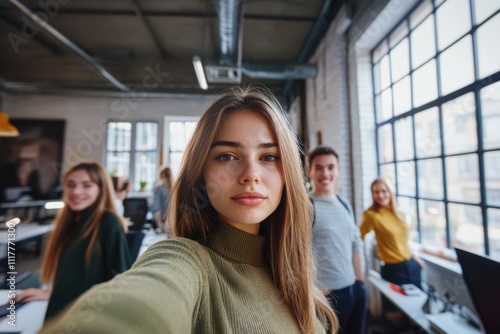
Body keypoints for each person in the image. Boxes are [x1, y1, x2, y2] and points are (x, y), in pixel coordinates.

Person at [40, 86, 338, 334]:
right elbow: (134, 307)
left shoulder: (292, 274)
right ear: (200, 175)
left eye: (269, 156)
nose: (251, 174)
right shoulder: (186, 260)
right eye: (226, 156)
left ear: (288, 173)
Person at [15, 162, 132, 320]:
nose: (76, 191)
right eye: (71, 185)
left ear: (100, 190)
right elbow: (76, 278)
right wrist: (49, 292)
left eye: (86, 185)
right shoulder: (69, 222)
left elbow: (120, 280)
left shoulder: (107, 221)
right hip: (58, 315)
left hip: (83, 319)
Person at [307, 146, 366, 334]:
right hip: (326, 296)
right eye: (319, 167)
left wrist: (359, 281)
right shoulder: (306, 206)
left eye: (331, 167)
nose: (325, 173)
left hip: (353, 289)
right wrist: (314, 290)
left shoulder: (344, 203)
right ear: (309, 171)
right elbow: (297, 253)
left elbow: (355, 242)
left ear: (338, 171)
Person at [359, 177, 424, 326]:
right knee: (396, 315)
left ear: (390, 192)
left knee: (417, 310)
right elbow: (358, 237)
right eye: (376, 192)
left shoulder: (398, 213)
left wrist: (415, 258)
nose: (380, 195)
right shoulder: (371, 215)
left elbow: (404, 240)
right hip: (393, 270)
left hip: (412, 266)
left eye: (384, 191)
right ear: (372, 195)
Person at [151, 166, 172, 234]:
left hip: (162, 222)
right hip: (170, 222)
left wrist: (159, 223)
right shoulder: (174, 188)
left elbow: (155, 207)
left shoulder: (158, 188)